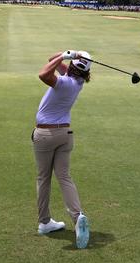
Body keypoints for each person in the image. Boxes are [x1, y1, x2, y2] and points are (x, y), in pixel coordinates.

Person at [33, 50, 90, 249]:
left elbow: (43, 73)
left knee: (43, 178)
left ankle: (45, 222)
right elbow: (52, 60)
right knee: (64, 177)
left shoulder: (64, 82)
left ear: (73, 66)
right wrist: (68, 55)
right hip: (65, 135)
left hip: (46, 135)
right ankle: (77, 216)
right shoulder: (78, 83)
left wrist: (67, 54)